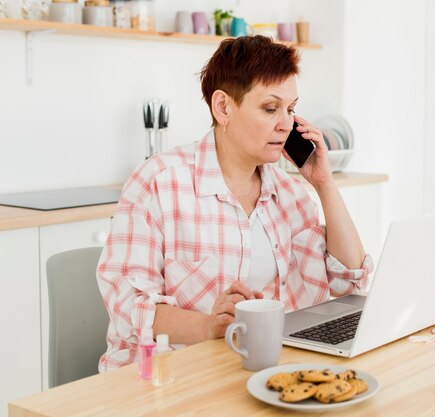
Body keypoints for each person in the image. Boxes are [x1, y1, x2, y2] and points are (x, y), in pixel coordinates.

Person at [97, 35, 373, 371]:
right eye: (271, 108)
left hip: (267, 370)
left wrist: (324, 184)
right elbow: (128, 305)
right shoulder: (158, 182)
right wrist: (208, 326)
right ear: (223, 108)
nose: (286, 123)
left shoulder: (293, 194)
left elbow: (350, 283)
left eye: (291, 109)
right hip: (173, 378)